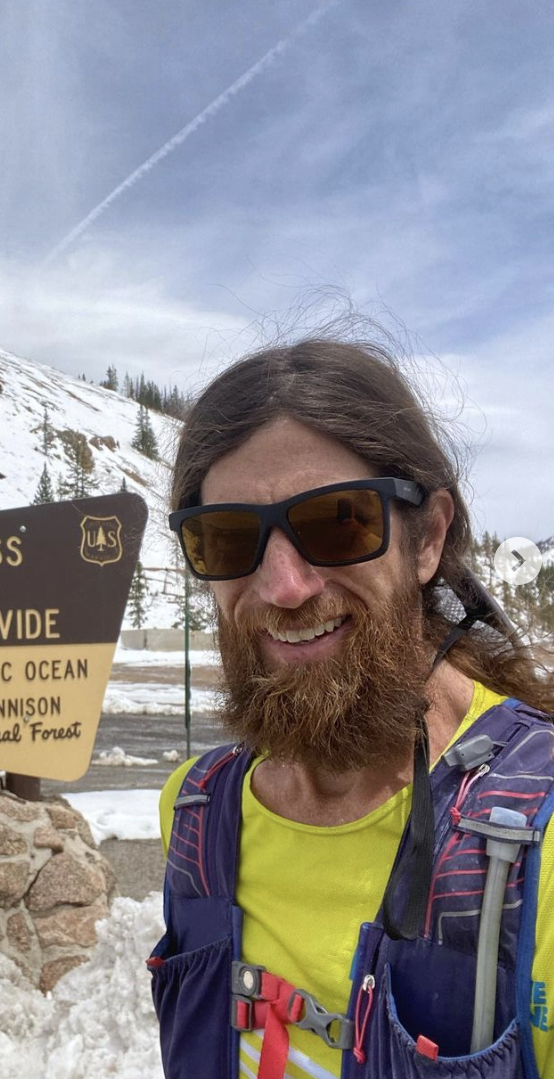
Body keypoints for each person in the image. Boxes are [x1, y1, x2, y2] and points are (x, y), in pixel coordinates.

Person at [150, 335, 554, 1079]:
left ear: (427, 539)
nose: (284, 587)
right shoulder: (197, 813)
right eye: (228, 538)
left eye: (338, 522)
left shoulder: (538, 835)